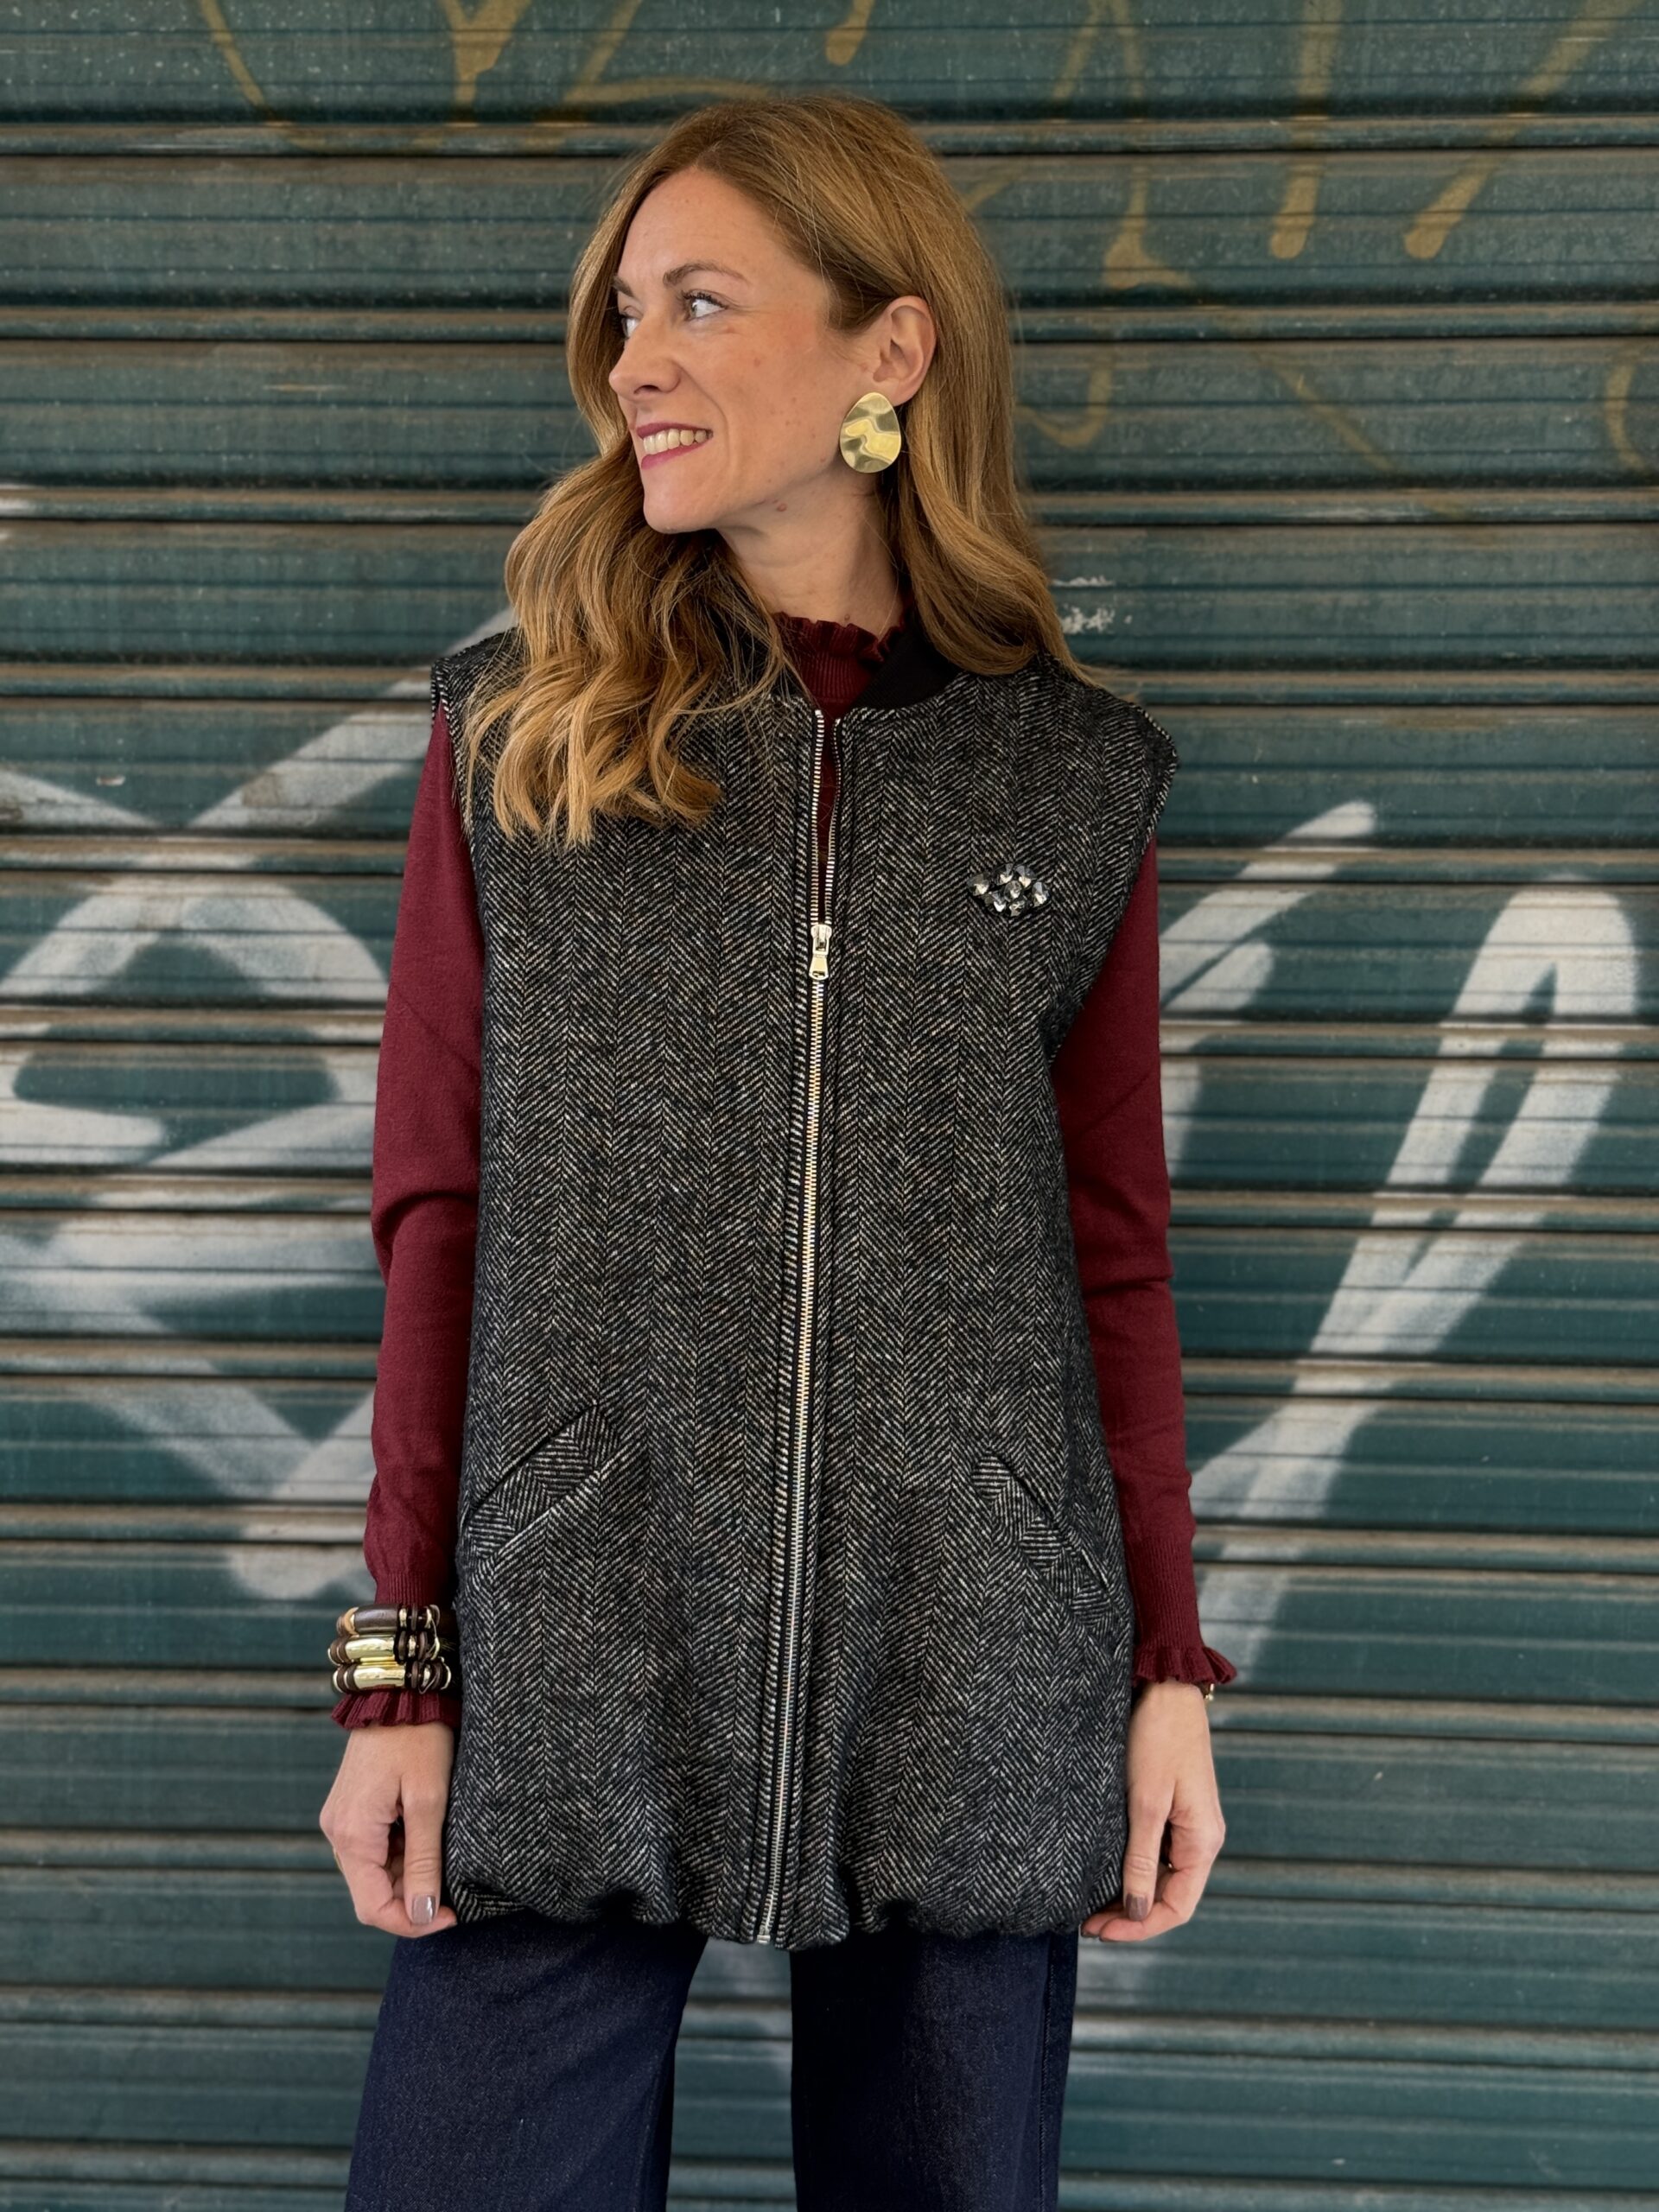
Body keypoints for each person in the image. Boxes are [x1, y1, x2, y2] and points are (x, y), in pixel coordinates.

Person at [321, 90, 1236, 2212]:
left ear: (887, 353)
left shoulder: (1067, 773)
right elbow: (437, 1206)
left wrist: (1167, 1665)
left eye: (701, 303)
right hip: (573, 1643)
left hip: (973, 1658)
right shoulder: (522, 737)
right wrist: (400, 1661)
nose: (633, 359)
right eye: (625, 311)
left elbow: (1112, 1250)